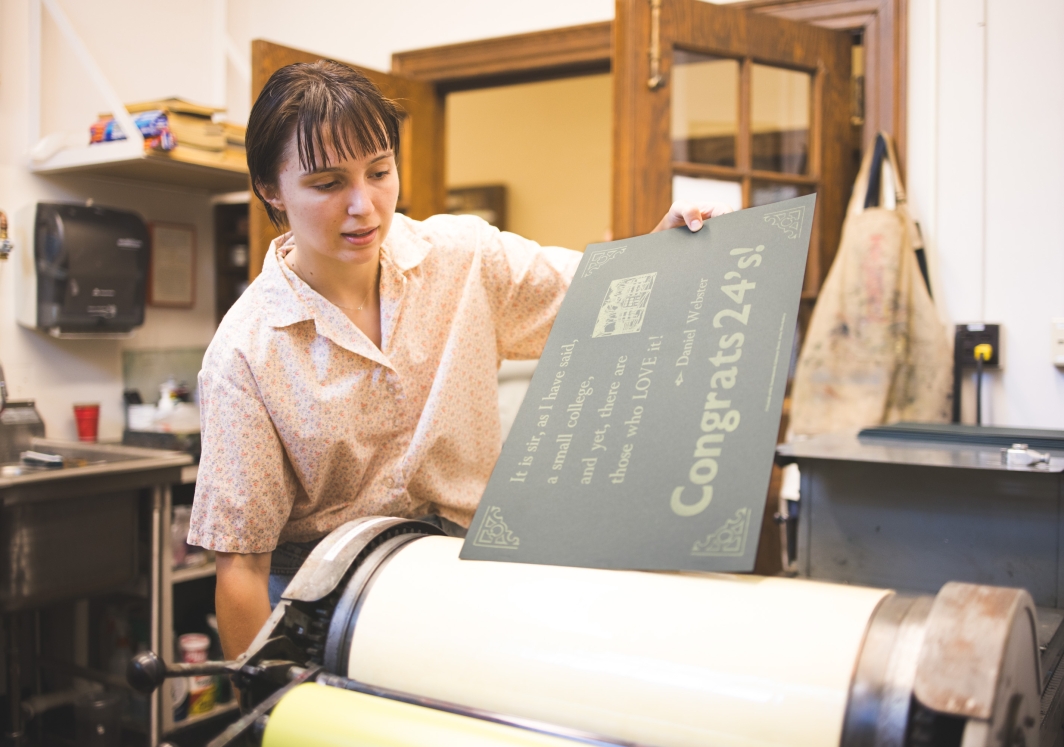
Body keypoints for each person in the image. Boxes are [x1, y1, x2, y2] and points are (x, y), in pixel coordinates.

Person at [187, 59, 732, 660]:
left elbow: (610, 297)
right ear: (272, 190)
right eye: (328, 184)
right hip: (332, 617)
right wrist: (266, 704)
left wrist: (671, 249)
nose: (364, 205)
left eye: (380, 171)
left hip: (472, 587)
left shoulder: (464, 257)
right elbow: (241, 566)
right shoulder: (247, 351)